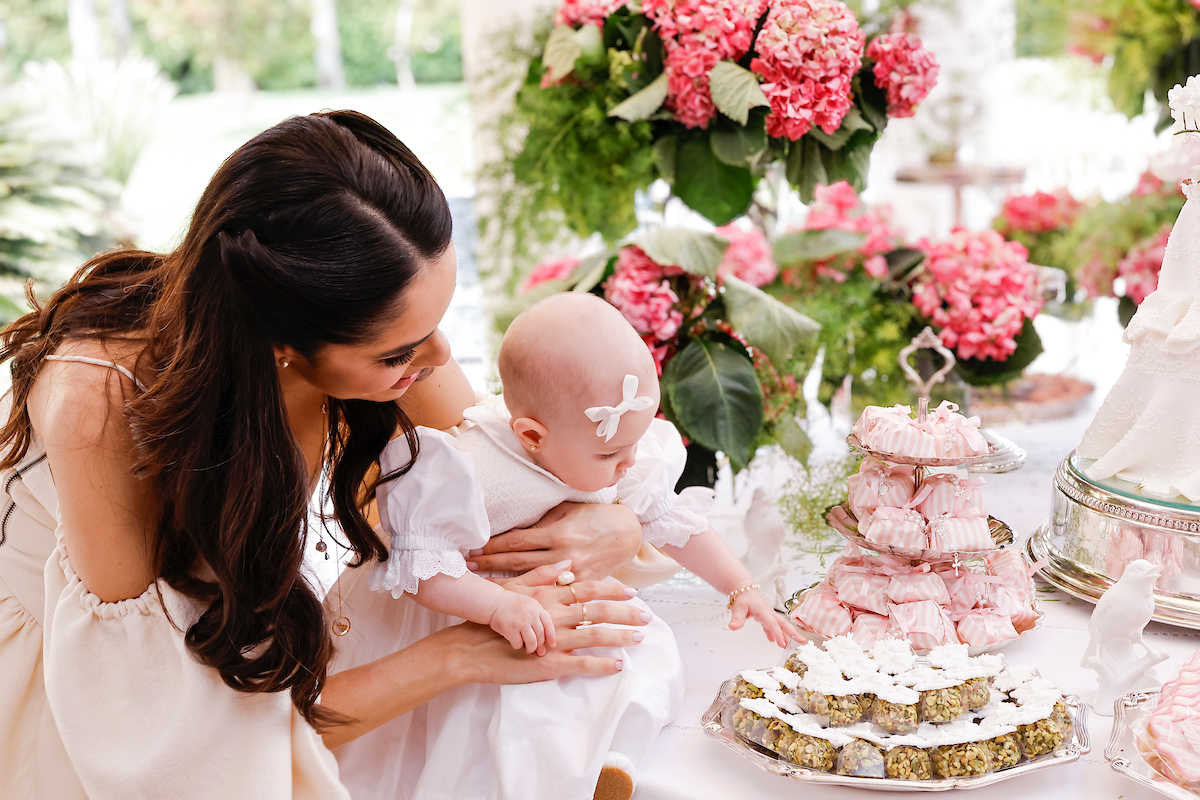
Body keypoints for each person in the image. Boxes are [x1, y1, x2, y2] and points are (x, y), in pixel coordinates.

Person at [0, 110, 649, 800]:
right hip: (91, 718)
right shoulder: (96, 404)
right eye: (398, 352)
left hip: (230, 691)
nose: (435, 361)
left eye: (439, 326)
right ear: (285, 340)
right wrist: (455, 655)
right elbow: (182, 749)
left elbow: (508, 480)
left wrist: (613, 525)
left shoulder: (348, 334)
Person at [336, 293, 795, 800]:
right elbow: (423, 567)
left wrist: (739, 585)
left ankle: (612, 760)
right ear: (532, 434)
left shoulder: (608, 447)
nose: (628, 464)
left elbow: (670, 519)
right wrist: (498, 605)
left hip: (562, 599)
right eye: (611, 453)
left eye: (635, 445)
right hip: (472, 610)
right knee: (508, 711)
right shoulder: (467, 467)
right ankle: (538, 783)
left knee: (645, 654)